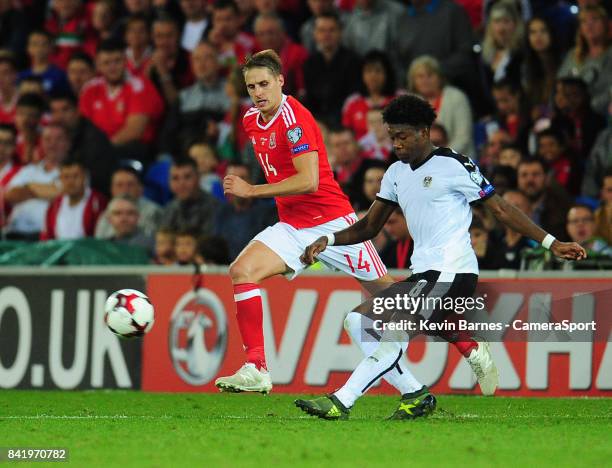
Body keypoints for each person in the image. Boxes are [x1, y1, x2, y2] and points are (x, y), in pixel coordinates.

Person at [296, 94, 586, 420]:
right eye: (392, 137)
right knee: (356, 321)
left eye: (403, 136)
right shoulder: (394, 173)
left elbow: (501, 209)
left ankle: (341, 401)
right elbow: (369, 226)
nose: (397, 144)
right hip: (424, 273)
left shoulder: (454, 165)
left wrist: (551, 242)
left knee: (394, 333)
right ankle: (418, 391)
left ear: (424, 131)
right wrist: (329, 239)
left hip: (453, 271)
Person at [214, 49, 393, 395]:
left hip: (333, 223)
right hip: (294, 226)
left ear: (281, 81)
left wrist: (252, 190)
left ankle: (466, 343)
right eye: (251, 87)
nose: (258, 92)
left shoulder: (295, 118)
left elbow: (309, 181)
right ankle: (256, 367)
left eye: (264, 84)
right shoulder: (251, 120)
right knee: (241, 271)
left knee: (390, 296)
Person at [79, 39, 164, 161]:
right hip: (97, 150)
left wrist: (102, 150)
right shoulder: (90, 89)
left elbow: (135, 131)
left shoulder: (140, 86)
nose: (112, 67)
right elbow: (82, 125)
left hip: (131, 151)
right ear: (98, 65)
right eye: (106, 63)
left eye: (117, 61)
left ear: (125, 61)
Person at [4, 124, 70, 239]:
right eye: (47, 139)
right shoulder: (28, 170)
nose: (52, 144)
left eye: (59, 139)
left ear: (69, 143)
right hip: (14, 233)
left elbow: (62, 194)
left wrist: (28, 188)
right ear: (41, 143)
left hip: (45, 238)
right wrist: (46, 190)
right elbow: (10, 195)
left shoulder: (74, 173)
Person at [407, 55, 475, 156]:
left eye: (430, 75)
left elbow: (463, 137)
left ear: (440, 77)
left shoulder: (456, 97)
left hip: (458, 159)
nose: (425, 80)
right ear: (413, 81)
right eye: (420, 76)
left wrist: (441, 157)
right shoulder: (410, 103)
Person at [302, 11, 360, 127]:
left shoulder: (353, 61)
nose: (326, 35)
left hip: (345, 121)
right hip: (317, 121)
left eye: (332, 30)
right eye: (322, 30)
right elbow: (309, 98)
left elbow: (353, 98)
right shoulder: (310, 63)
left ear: (340, 33)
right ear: (315, 34)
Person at [215, 163, 277, 260]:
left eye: (242, 179)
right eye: (231, 180)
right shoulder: (221, 212)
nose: (236, 185)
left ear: (251, 181)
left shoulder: (268, 213)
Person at [40, 159, 107, 240]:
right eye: (66, 177)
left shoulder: (98, 202)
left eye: (75, 176)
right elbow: (46, 238)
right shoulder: (54, 205)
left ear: (84, 177)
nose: (70, 182)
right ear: (60, 179)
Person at [95, 166, 162, 239]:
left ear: (141, 189)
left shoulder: (154, 212)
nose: (125, 190)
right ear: (112, 190)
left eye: (130, 185)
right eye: (119, 185)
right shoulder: (106, 214)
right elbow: (99, 245)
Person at [159, 157, 218, 236]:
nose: (181, 184)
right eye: (175, 178)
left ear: (198, 177)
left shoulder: (214, 208)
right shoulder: (170, 208)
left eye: (187, 177)